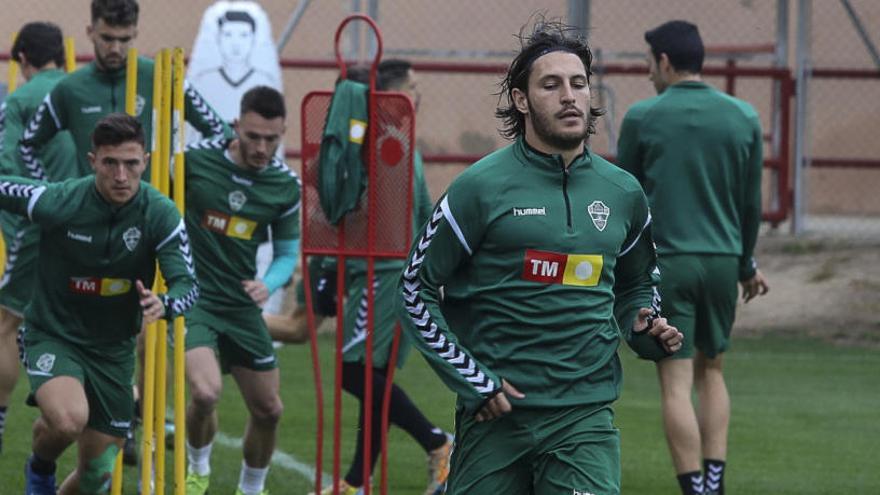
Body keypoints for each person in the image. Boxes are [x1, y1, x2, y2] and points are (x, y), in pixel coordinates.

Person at [397, 19, 683, 495]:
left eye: (578, 84)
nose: (569, 96)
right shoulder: (479, 189)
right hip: (496, 414)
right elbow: (414, 288)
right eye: (550, 85)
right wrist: (474, 380)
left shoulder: (624, 193)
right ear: (521, 100)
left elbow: (636, 285)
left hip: (583, 416)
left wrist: (645, 326)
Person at [2, 113, 198, 494]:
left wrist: (166, 304)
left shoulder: (160, 213)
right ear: (93, 162)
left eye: (131, 163)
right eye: (110, 163)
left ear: (146, 160)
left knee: (98, 476)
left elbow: (188, 285)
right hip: (53, 334)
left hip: (113, 352)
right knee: (69, 420)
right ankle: (40, 468)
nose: (121, 175)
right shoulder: (60, 200)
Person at [615, 20, 770, 495]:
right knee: (714, 370)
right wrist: (746, 265)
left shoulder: (642, 117)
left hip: (669, 262)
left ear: (663, 61)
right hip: (724, 261)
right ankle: (715, 485)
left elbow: (625, 197)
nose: (647, 75)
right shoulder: (744, 117)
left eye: (647, 63)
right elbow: (750, 205)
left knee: (675, 381)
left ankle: (693, 487)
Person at [298, 59, 453, 495]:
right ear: (383, 99)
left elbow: (417, 210)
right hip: (380, 272)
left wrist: (427, 271)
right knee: (372, 381)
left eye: (415, 90)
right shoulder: (383, 142)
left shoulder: (392, 144)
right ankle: (356, 482)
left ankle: (438, 443)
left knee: (354, 374)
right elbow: (358, 205)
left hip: (386, 275)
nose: (415, 98)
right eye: (407, 90)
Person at [181, 86, 300, 495]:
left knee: (269, 410)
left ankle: (252, 489)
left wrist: (267, 284)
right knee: (205, 391)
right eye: (253, 136)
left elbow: (287, 252)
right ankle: (197, 468)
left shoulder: (285, 186)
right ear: (237, 126)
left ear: (283, 131)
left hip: (241, 304)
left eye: (272, 138)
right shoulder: (195, 161)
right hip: (195, 298)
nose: (262, 147)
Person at [19, 0, 229, 181]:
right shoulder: (70, 88)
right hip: (93, 216)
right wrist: (51, 195)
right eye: (107, 39)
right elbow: (26, 146)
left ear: (135, 34)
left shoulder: (162, 76)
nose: (115, 49)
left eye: (124, 39)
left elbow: (222, 134)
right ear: (90, 32)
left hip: (152, 213)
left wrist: (179, 160)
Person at [0, 21, 77, 455]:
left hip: (39, 226)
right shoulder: (81, 91)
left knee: (6, 324)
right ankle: (132, 407)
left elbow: (6, 168)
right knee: (84, 326)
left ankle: (1, 418)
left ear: (24, 60)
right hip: (92, 224)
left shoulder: (22, 98)